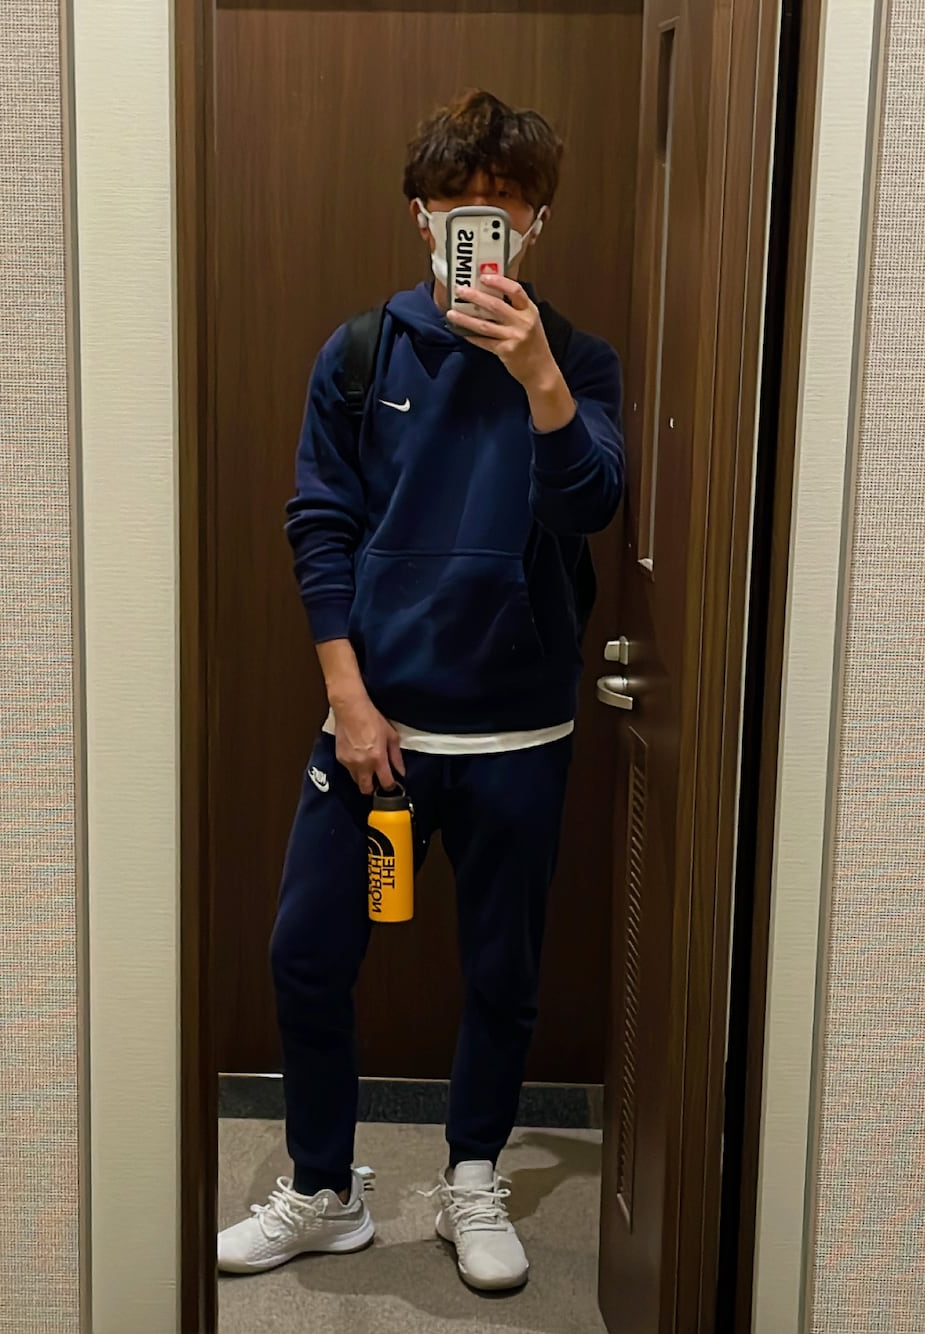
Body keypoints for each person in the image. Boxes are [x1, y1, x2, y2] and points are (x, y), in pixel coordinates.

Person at [218, 88, 624, 1292]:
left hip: (518, 726)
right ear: (420, 215)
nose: (478, 229)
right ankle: (324, 1187)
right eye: (458, 207)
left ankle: (472, 1175)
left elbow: (590, 503)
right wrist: (347, 695)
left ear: (537, 225)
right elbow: (320, 524)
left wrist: (538, 375)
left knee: (501, 971)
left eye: (503, 210)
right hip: (376, 725)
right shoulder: (361, 352)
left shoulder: (578, 358)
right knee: (306, 954)